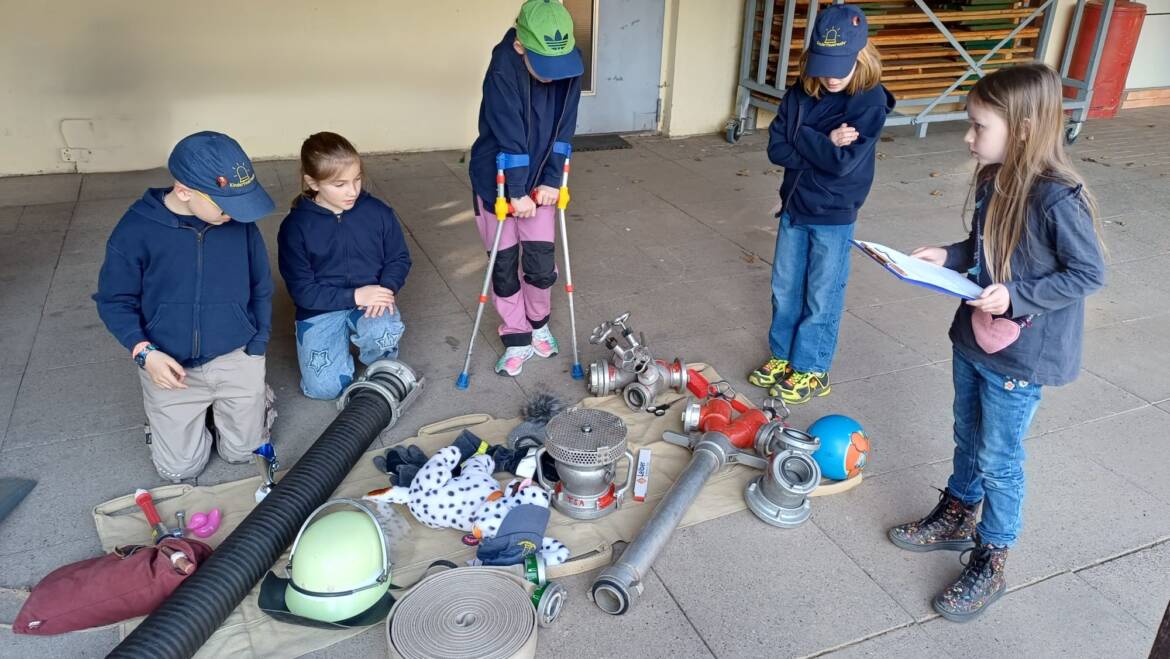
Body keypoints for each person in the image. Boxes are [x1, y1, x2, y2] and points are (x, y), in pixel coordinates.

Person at [887, 63, 1106, 621]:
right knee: (966, 434)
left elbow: (1087, 274)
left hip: (1021, 354)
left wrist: (1014, 297)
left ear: (1025, 129)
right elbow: (981, 248)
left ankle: (993, 553)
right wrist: (950, 255)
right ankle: (958, 512)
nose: (968, 137)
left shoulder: (1059, 199)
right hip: (973, 340)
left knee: (1000, 458)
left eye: (979, 126)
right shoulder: (993, 179)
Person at [94, 131, 275, 482]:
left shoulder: (240, 226)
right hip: (169, 363)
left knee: (242, 455)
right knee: (179, 469)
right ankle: (177, 418)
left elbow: (261, 286)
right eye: (226, 206)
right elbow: (114, 300)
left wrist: (258, 346)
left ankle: (255, 401)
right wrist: (145, 353)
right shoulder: (134, 231)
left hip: (236, 354)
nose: (234, 215)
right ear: (184, 191)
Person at [748, 3, 895, 404]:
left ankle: (812, 368)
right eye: (823, 64)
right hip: (794, 206)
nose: (830, 75)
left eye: (840, 65)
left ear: (860, 56)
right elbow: (777, 149)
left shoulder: (869, 101)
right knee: (784, 286)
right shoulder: (800, 92)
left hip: (834, 213)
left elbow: (842, 164)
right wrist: (823, 139)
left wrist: (807, 138)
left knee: (822, 293)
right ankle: (783, 355)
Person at [468, 0, 583, 377]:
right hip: (498, 181)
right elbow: (510, 134)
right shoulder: (504, 65)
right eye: (544, 66)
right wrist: (515, 192)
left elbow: (564, 128)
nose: (553, 75)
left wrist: (551, 180)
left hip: (541, 186)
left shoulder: (567, 62)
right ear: (520, 45)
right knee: (503, 265)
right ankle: (516, 335)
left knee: (538, 262)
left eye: (559, 65)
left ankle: (538, 323)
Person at [278, 132, 410, 399]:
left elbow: (398, 258)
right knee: (325, 389)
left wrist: (386, 288)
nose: (352, 191)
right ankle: (336, 350)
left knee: (380, 332)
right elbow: (302, 290)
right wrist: (353, 295)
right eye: (339, 184)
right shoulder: (295, 227)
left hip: (370, 299)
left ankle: (378, 358)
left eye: (357, 179)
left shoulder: (377, 212)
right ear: (312, 182)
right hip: (320, 307)